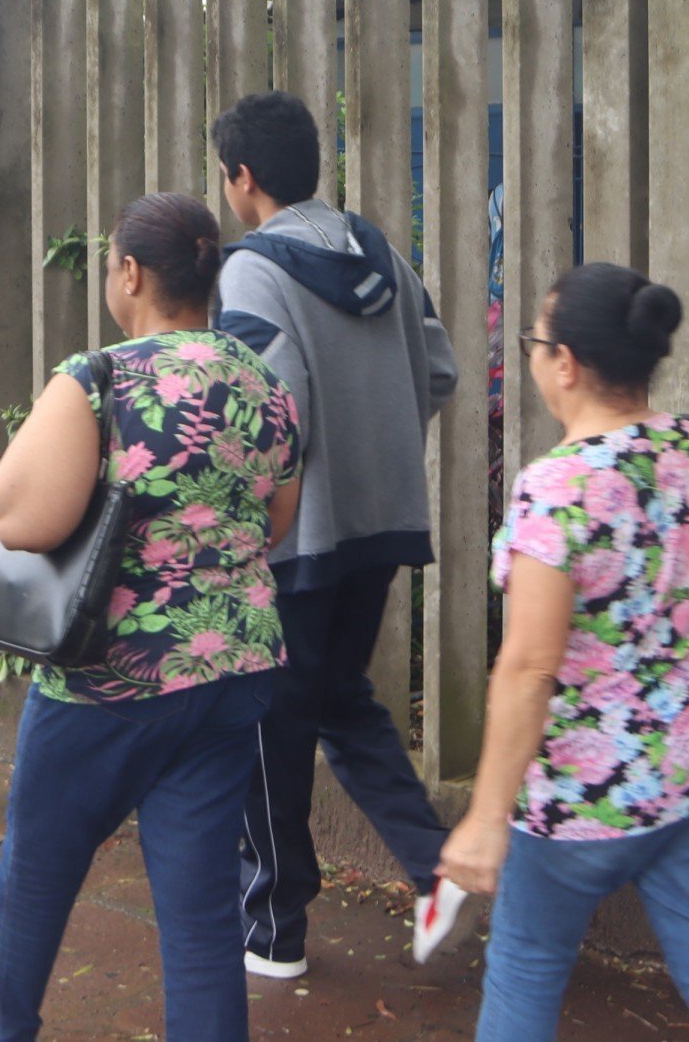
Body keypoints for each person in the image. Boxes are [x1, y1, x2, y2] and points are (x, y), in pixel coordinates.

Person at [0, 193, 303, 1042]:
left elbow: (18, 517)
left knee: (39, 870)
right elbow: (275, 521)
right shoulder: (265, 385)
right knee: (202, 911)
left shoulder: (102, 378)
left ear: (129, 272)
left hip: (109, 679)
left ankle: (1, 1031)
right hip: (228, 675)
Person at [437, 261, 689, 1042]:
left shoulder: (559, 487)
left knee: (527, 967)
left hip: (581, 800)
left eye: (535, 343)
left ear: (565, 363)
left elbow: (531, 666)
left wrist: (484, 817)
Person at [209, 90, 468, 976]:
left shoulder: (251, 271)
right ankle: (437, 870)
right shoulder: (381, 250)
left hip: (296, 540)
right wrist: (381, 445)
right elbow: (438, 368)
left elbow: (266, 414)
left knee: (267, 722)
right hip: (384, 522)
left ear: (242, 178)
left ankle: (272, 931)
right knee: (336, 700)